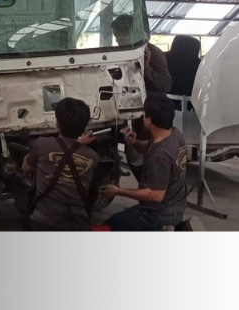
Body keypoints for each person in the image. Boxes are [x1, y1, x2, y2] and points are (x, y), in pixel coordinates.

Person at [100, 94, 187, 231]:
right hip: (175, 207)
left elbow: (156, 195)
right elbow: (149, 146)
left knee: (108, 227)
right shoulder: (175, 134)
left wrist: (119, 191)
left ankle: (160, 229)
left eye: (144, 114)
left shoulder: (160, 154)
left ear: (149, 120)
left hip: (159, 214)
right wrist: (134, 143)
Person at [21, 98, 98, 231]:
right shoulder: (93, 157)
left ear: (57, 122)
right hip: (78, 226)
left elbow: (25, 168)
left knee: (21, 190)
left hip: (43, 224)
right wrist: (78, 144)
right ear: (85, 127)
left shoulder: (42, 144)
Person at [112, 14, 172, 179]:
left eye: (121, 37)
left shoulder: (152, 53)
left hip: (148, 114)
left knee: (146, 156)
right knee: (133, 152)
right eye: (117, 38)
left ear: (132, 33)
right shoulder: (126, 52)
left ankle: (150, 187)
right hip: (130, 110)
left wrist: (146, 69)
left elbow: (165, 84)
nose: (118, 42)